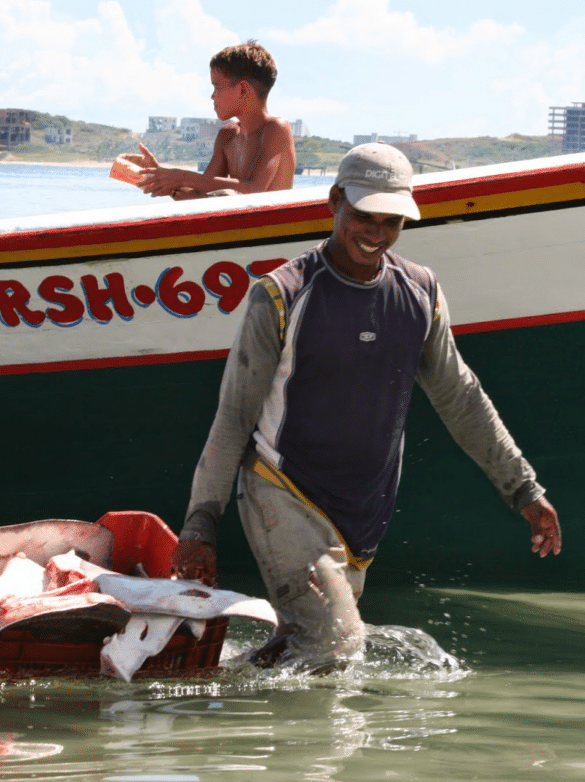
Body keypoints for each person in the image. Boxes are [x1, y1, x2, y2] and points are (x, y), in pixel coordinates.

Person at [170, 143, 562, 669]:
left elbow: (461, 397)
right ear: (334, 202)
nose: (376, 233)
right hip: (283, 492)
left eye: (392, 221)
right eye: (363, 216)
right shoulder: (281, 296)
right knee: (337, 646)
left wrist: (523, 488)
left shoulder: (421, 292)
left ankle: (216, 693)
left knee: (308, 652)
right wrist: (199, 528)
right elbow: (233, 417)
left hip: (362, 513)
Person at [125, 40, 296, 199]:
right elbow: (198, 197)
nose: (212, 96)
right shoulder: (228, 135)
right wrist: (160, 176)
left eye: (216, 87)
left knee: (228, 194)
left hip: (274, 230)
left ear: (243, 90)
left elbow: (254, 190)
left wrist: (182, 177)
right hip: (240, 229)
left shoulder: (276, 128)